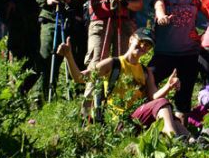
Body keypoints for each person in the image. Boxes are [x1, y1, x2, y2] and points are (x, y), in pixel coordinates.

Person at [56, 28, 191, 138]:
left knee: (169, 113)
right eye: (141, 41)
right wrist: (68, 57)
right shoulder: (113, 63)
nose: (143, 46)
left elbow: (154, 97)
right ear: (131, 39)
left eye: (148, 45)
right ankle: (174, 142)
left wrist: (168, 86)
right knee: (162, 105)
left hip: (137, 119)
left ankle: (192, 142)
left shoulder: (145, 71)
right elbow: (80, 78)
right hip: (118, 122)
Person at [150, 0, 202, 119]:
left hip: (189, 54)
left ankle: (182, 133)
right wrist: (161, 17)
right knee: (148, 79)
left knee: (184, 96)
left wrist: (201, 36)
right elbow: (158, 6)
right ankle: (149, 117)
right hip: (164, 53)